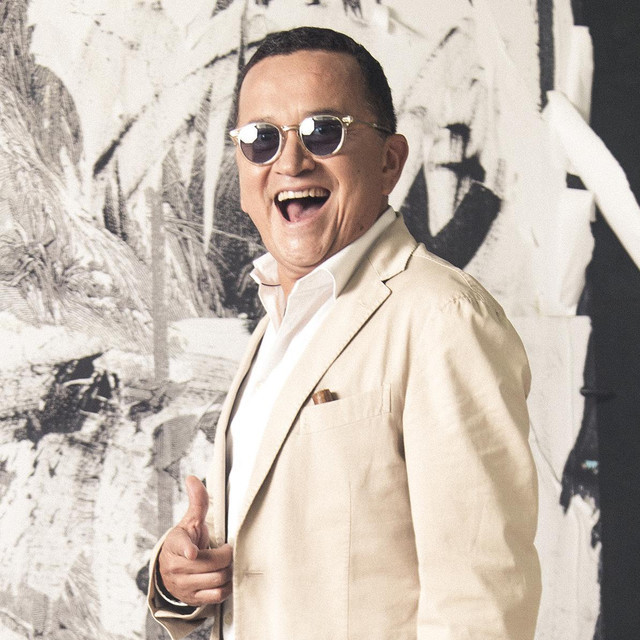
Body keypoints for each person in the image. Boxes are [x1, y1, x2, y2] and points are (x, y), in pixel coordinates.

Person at [147, 26, 541, 640]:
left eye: (323, 132)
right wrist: (180, 579)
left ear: (390, 161)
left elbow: (481, 607)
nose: (290, 162)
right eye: (261, 139)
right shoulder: (279, 321)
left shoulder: (443, 319)